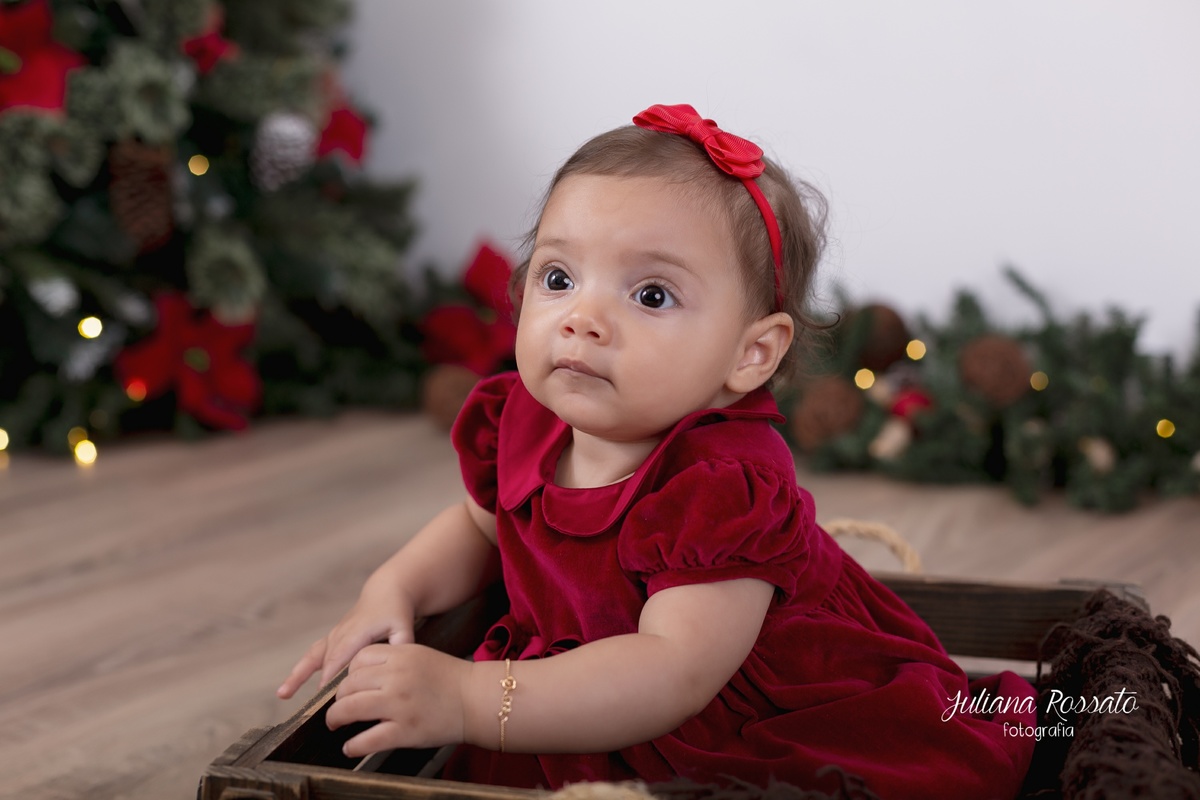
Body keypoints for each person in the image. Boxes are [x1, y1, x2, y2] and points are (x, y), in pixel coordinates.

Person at [277, 103, 1037, 799]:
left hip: (740, 721)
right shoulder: (524, 418)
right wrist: (395, 588)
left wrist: (473, 699)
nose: (583, 318)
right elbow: (481, 528)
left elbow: (671, 672)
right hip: (564, 699)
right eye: (559, 277)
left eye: (650, 295)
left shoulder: (722, 485)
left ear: (750, 354)